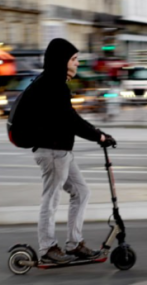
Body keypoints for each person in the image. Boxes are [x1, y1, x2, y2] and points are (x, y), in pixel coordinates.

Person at [27, 38, 116, 264]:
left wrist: (98, 133)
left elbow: (70, 118)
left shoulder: (54, 83)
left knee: (82, 192)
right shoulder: (52, 85)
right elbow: (71, 121)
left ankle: (74, 244)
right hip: (52, 152)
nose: (78, 63)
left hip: (60, 151)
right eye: (74, 59)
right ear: (61, 60)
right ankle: (47, 247)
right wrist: (99, 136)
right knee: (51, 199)